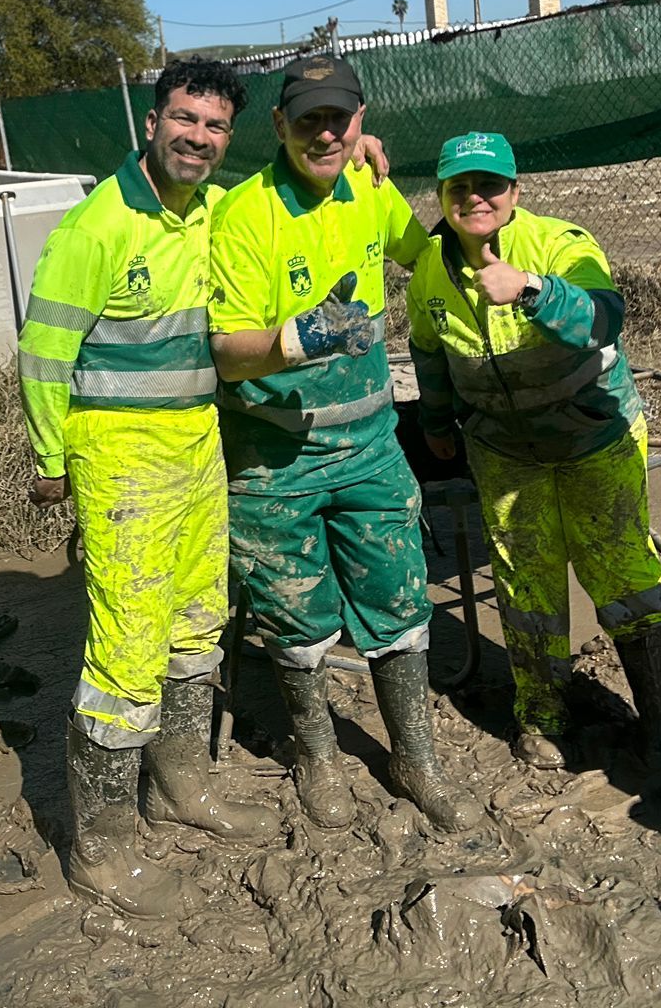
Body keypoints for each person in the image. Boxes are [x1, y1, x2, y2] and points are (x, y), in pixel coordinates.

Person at [17, 59, 279, 919]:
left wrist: (361, 155)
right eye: (184, 120)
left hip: (196, 443)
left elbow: (295, 186)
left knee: (199, 617)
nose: (197, 139)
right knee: (127, 651)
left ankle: (181, 788)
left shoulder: (214, 213)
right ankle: (103, 846)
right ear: (152, 121)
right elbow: (46, 350)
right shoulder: (97, 227)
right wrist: (51, 459)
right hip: (119, 456)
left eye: (213, 127)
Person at [207, 52, 468, 833]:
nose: (326, 132)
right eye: (309, 119)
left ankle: (414, 758)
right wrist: (298, 337)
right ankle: (319, 756)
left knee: (398, 602)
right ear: (280, 124)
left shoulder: (368, 186)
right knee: (295, 619)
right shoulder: (247, 214)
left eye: (340, 118)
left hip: (372, 446)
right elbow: (223, 349)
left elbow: (423, 259)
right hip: (275, 457)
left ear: (360, 121)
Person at [403, 132, 661, 786]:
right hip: (505, 449)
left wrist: (530, 288)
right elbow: (427, 348)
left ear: (515, 192)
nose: (475, 198)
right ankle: (542, 715)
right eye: (459, 188)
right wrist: (438, 421)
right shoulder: (428, 270)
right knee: (525, 583)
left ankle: (660, 728)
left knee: (622, 575)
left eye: (490, 185)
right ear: (442, 196)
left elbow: (603, 316)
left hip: (594, 438)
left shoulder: (560, 245)